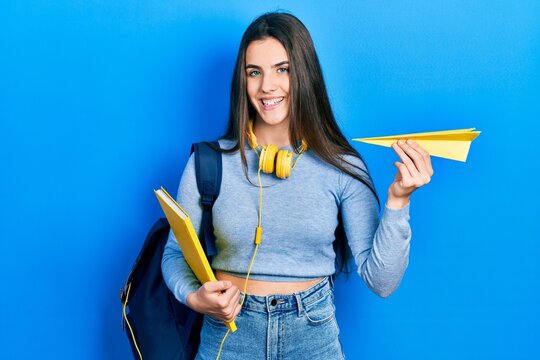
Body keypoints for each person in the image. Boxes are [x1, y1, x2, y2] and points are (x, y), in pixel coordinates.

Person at [162, 11, 433, 360]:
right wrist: (194, 298)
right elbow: (174, 255)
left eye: (282, 69)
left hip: (312, 335)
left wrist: (399, 200)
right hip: (229, 335)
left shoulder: (342, 166)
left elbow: (382, 282)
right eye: (254, 72)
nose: (267, 86)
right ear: (242, 81)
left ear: (303, 74)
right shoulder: (207, 163)